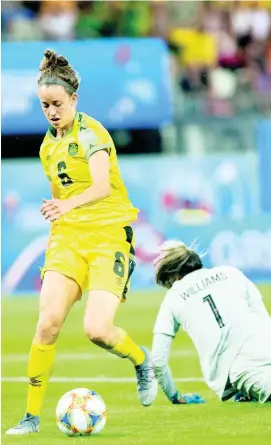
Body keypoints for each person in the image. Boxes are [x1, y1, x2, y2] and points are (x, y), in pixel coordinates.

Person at [6, 49, 157, 436]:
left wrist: (66, 204)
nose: (51, 112)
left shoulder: (92, 134)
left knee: (96, 329)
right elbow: (61, 197)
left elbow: (102, 186)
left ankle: (143, 361)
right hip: (68, 240)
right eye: (44, 106)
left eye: (57, 104)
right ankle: (31, 418)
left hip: (108, 238)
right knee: (47, 326)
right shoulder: (47, 146)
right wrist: (59, 218)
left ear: (73, 99)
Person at [151, 240, 271, 405]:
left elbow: (158, 360)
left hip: (241, 366)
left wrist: (175, 397)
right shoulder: (230, 272)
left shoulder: (173, 297)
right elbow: (262, 317)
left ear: (174, 276)